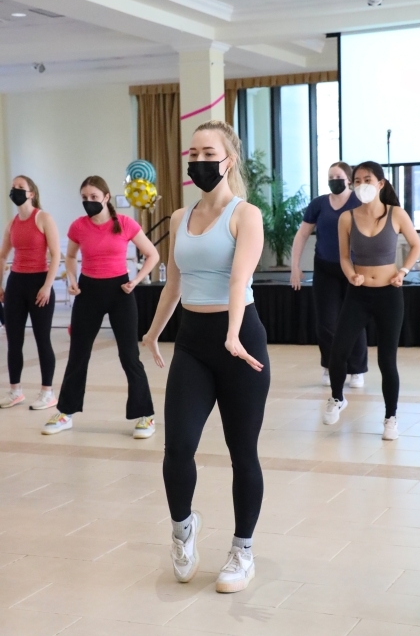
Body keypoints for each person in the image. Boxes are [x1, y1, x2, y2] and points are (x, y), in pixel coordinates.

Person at [143, 120, 270, 594]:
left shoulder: (246, 215)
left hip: (241, 340)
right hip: (193, 342)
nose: (197, 159)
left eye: (207, 151)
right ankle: (183, 530)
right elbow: (174, 284)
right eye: (192, 151)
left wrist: (234, 335)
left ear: (227, 160)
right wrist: (153, 333)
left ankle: (242, 550)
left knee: (243, 454)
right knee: (177, 447)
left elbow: (239, 281)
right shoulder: (179, 217)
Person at [42, 175, 159, 439]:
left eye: (94, 197)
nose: (89, 202)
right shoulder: (79, 226)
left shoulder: (126, 224)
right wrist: (71, 278)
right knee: (78, 354)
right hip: (88, 291)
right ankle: (65, 412)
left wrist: (136, 280)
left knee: (129, 355)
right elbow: (70, 256)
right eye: (85, 198)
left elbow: (153, 255)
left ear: (106, 198)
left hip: (120, 292)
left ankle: (145, 416)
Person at [324, 161, 420, 440]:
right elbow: (344, 257)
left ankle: (391, 417)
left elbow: (416, 245)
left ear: (380, 184)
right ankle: (336, 397)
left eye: (368, 179)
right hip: (359, 293)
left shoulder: (396, 214)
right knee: (338, 350)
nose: (361, 184)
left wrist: (403, 271)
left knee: (386, 360)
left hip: (389, 294)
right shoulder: (347, 217)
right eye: (357, 180)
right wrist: (351, 275)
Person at [291, 162, 368, 387]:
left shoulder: (359, 201)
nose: (334, 180)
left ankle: (356, 370)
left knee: (354, 319)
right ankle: (329, 366)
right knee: (326, 321)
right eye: (330, 176)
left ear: (349, 179)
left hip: (354, 269)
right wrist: (295, 266)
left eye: (338, 176)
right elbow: (302, 234)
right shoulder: (319, 204)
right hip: (325, 268)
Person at [0, 175, 60, 410]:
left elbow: (56, 254)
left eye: (20, 187)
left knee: (42, 340)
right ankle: (15, 391)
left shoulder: (43, 218)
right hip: (16, 283)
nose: (15, 190)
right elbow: (3, 255)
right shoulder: (12, 223)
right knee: (13, 341)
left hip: (39, 283)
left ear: (31, 193)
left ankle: (48, 392)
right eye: (13, 187)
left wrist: (47, 285)